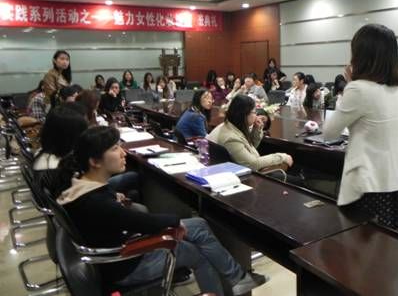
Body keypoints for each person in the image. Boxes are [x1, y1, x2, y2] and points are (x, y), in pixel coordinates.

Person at [52, 126, 267, 295]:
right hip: (125, 263)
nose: (123, 152)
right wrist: (175, 222)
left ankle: (238, 278)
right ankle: (234, 281)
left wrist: (116, 197)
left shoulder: (81, 185)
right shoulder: (97, 202)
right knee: (197, 253)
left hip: (121, 247)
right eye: (115, 149)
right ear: (94, 161)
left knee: (199, 225)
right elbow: (141, 222)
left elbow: (124, 217)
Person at [323, 24, 398, 237]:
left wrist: (348, 87)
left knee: (370, 247)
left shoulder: (358, 89)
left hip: (371, 182)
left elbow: (329, 132)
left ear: (361, 55)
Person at [208, 95, 293, 171]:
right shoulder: (231, 138)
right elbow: (253, 164)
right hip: (246, 176)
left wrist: (256, 130)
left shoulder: (230, 125)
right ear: (244, 114)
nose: (256, 115)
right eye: (254, 112)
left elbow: (249, 148)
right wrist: (281, 157)